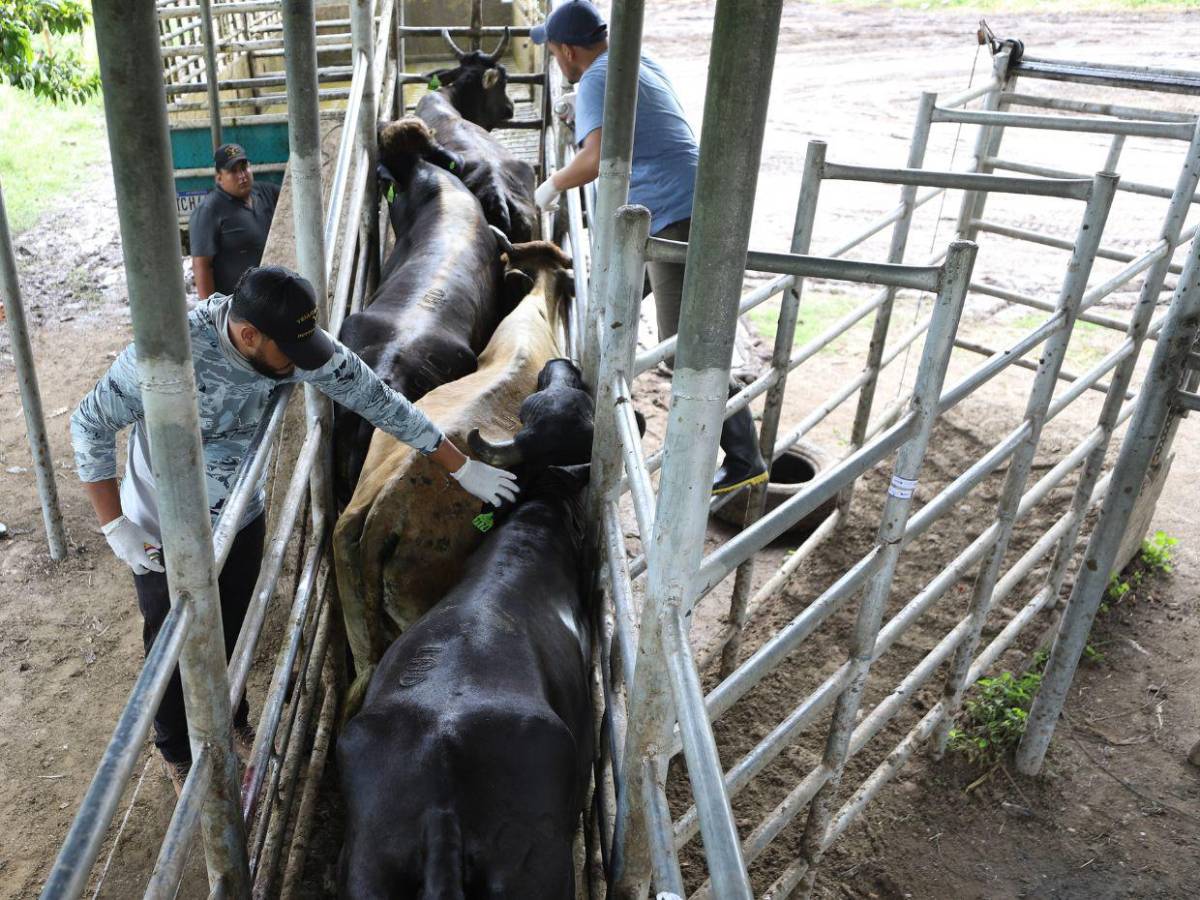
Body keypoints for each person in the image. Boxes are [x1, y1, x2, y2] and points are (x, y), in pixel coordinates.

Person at [70, 266, 518, 794]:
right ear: (248, 335)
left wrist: (458, 464)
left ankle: (230, 721)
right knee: (171, 639)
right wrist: (114, 525)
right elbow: (90, 422)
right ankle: (177, 751)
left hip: (242, 511)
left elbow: (375, 397)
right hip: (160, 526)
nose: (302, 363)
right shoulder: (166, 356)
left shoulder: (295, 346)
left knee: (230, 629)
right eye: (291, 351)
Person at [531, 0, 767, 494]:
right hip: (677, 199)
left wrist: (552, 185)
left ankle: (745, 456)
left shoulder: (596, 78)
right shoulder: (636, 59)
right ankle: (594, 389)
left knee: (686, 345)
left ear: (569, 52)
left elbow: (596, 159)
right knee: (612, 294)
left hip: (671, 213)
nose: (556, 62)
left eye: (554, 54)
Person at [189, 143, 281, 300]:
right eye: (233, 171)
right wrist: (212, 311)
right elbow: (202, 266)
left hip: (271, 298)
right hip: (237, 306)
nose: (242, 176)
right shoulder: (209, 210)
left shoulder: (266, 193)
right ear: (219, 178)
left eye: (244, 168)